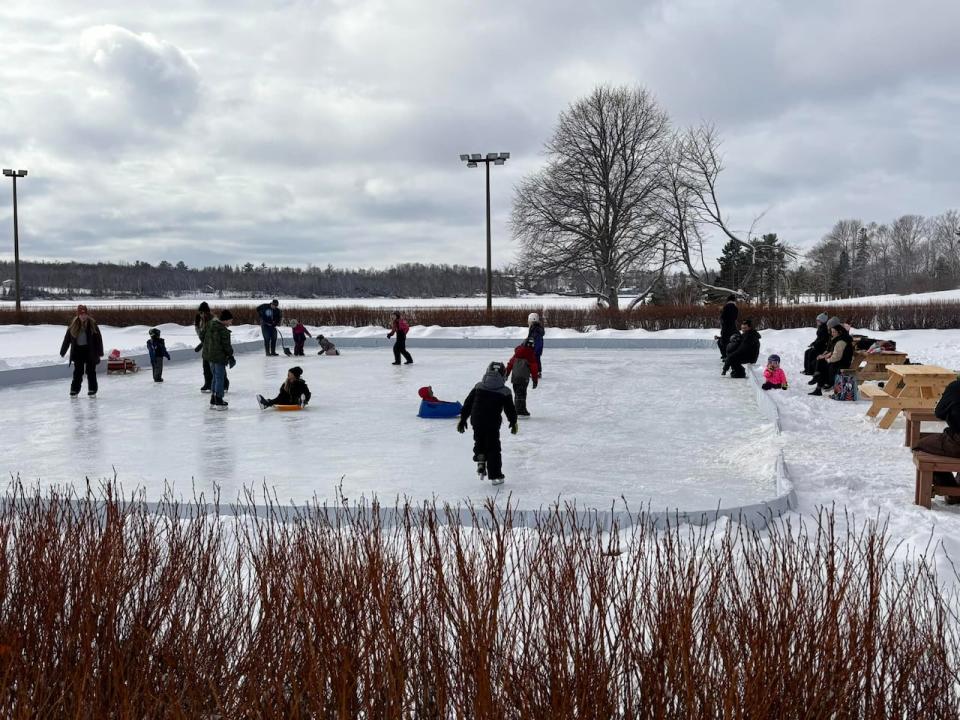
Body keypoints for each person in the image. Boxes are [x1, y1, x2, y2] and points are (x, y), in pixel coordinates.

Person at [457, 362, 519, 486]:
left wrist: (463, 419)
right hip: (492, 422)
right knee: (493, 447)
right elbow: (510, 409)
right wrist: (513, 421)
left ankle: (480, 457)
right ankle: (495, 475)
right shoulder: (505, 391)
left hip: (477, 419)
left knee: (479, 439)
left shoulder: (479, 386)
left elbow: (468, 403)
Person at [912, 378, 960, 498]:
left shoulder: (955, 387)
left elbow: (939, 412)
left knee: (919, 445)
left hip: (957, 442)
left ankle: (951, 491)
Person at [59, 304, 104, 397]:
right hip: (78, 352)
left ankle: (92, 389)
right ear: (78, 315)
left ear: (87, 314)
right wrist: (63, 351)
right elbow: (67, 339)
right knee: (78, 372)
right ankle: (74, 390)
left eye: (85, 314)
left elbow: (99, 339)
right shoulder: (73, 325)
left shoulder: (92, 324)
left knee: (91, 371)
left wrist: (100, 352)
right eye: (81, 314)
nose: (83, 316)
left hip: (90, 351)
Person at [809, 318, 854, 396]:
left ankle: (822, 384)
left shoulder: (841, 341)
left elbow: (837, 357)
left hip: (842, 363)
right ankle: (818, 385)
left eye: (834, 332)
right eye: (832, 331)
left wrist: (827, 360)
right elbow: (833, 351)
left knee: (822, 365)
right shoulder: (838, 339)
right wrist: (825, 356)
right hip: (839, 360)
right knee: (820, 362)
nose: (832, 333)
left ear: (839, 332)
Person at [202, 309, 235, 409]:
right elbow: (227, 347)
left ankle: (213, 399)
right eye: (230, 321)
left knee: (215, 377)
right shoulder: (223, 331)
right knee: (219, 378)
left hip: (209, 356)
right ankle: (219, 400)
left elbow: (202, 336)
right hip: (219, 357)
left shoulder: (210, 325)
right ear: (225, 320)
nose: (231, 323)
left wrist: (208, 348)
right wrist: (231, 356)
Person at [195, 302, 229, 394]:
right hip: (206, 346)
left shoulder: (213, 319)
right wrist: (197, 328)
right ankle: (208, 383)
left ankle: (225, 383)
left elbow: (217, 333)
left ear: (206, 312)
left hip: (214, 346)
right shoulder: (199, 319)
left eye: (202, 312)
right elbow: (200, 333)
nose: (201, 314)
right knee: (206, 366)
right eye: (200, 313)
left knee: (218, 366)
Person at [505, 338, 540, 417]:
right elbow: (534, 368)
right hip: (524, 378)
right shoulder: (531, 355)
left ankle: (518, 409)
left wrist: (506, 374)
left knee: (517, 393)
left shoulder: (517, 352)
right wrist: (535, 380)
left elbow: (510, 364)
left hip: (515, 378)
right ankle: (520, 411)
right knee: (522, 394)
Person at [718, 295, 739, 360]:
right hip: (733, 327)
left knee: (723, 342)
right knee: (731, 341)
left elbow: (723, 318)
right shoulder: (735, 308)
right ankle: (730, 355)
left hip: (726, 327)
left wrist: (721, 312)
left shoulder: (726, 307)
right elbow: (735, 318)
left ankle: (725, 356)